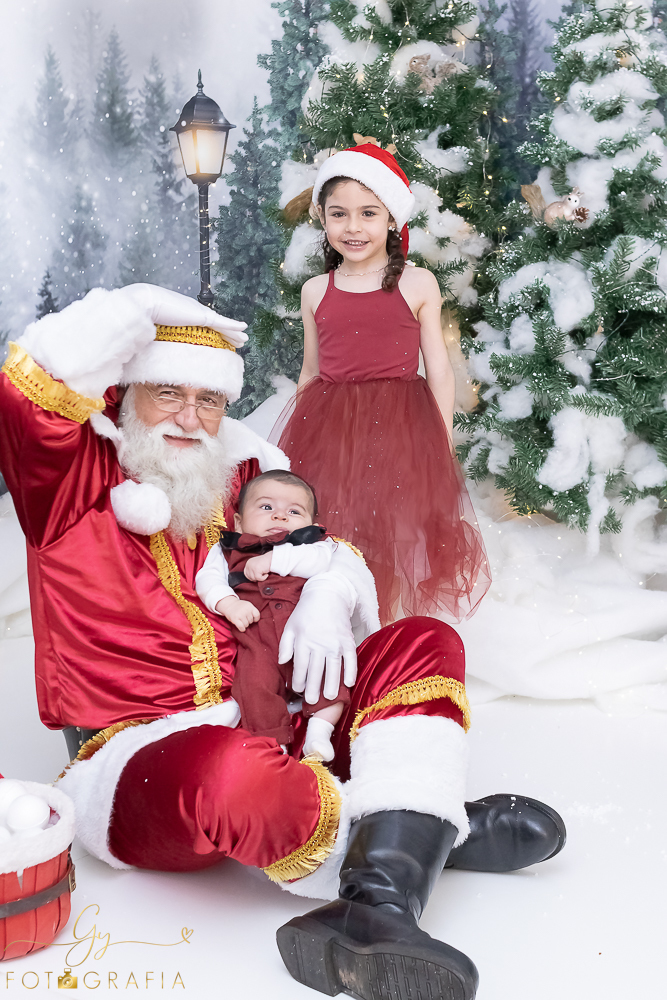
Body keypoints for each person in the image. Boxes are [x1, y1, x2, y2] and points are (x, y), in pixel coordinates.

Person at [0, 283, 564, 1000]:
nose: (189, 415)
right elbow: (26, 397)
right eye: (166, 391)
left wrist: (329, 593)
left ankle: (379, 897)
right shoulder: (72, 481)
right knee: (235, 775)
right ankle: (420, 830)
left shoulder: (234, 475)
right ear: (125, 391)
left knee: (423, 639)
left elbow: (322, 546)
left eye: (208, 401)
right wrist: (125, 305)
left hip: (278, 711)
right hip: (138, 755)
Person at [271, 142, 491, 625]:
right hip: (331, 425)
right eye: (339, 214)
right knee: (340, 527)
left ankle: (389, 629)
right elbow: (311, 370)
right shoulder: (315, 290)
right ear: (323, 221)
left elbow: (438, 367)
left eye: (368, 213)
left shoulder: (417, 283)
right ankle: (342, 627)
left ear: (391, 219)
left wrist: (441, 434)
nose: (353, 227)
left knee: (394, 527)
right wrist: (298, 439)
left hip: (401, 423)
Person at [195, 469, 354, 760]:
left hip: (307, 635)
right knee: (253, 687)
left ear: (311, 524)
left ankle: (320, 731)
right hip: (257, 640)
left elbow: (318, 562)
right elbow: (207, 580)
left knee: (333, 675)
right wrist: (230, 604)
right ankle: (272, 745)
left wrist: (275, 558)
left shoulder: (312, 546)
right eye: (266, 507)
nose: (280, 517)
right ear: (240, 521)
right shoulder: (227, 550)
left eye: (294, 511)